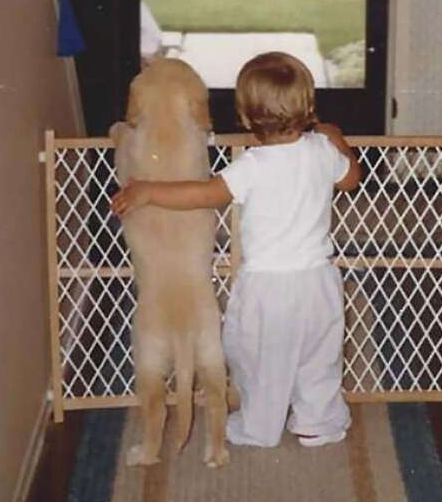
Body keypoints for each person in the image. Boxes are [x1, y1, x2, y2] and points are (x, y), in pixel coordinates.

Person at [111, 52, 361, 448]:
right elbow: (351, 179)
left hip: (267, 289)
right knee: (320, 357)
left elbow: (204, 194)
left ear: (245, 118)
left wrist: (148, 191)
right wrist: (336, 138)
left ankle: (258, 427)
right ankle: (319, 422)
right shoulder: (321, 151)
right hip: (319, 284)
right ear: (309, 107)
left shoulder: (253, 165)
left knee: (258, 358)